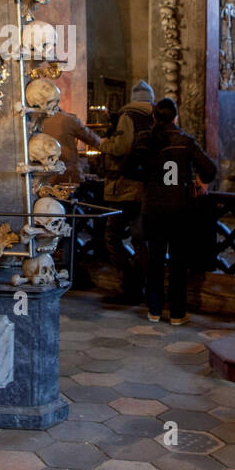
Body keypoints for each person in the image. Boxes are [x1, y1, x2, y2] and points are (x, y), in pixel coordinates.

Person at [126, 97, 216, 325]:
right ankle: (177, 313)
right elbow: (210, 169)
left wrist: (148, 178)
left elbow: (128, 169)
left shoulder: (145, 139)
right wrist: (200, 180)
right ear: (176, 117)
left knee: (155, 259)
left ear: (154, 117)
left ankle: (154, 309)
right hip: (179, 209)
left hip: (153, 207)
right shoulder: (185, 141)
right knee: (178, 263)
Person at [98, 80, 155, 305]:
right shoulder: (156, 116)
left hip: (123, 187)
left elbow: (121, 148)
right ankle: (145, 287)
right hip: (148, 188)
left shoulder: (128, 115)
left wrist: (104, 143)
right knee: (141, 241)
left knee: (112, 236)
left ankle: (129, 286)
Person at [40, 107, 102, 186]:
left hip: (44, 176)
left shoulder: (35, 122)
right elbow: (94, 140)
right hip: (68, 175)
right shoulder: (68, 120)